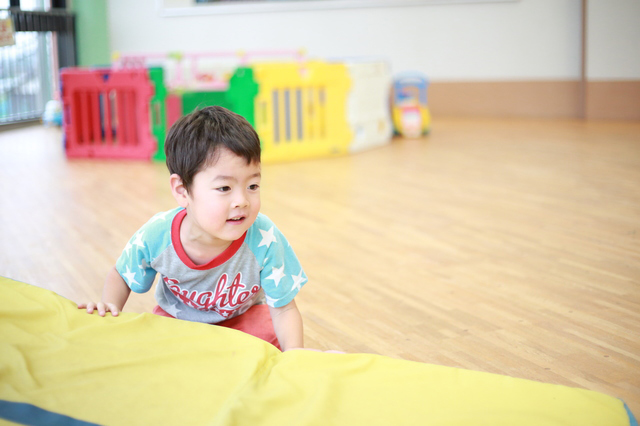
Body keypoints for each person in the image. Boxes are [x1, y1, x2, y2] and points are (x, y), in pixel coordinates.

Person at [78, 106, 308, 352]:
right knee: (146, 345)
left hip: (244, 321)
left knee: (272, 333)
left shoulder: (265, 237)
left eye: (253, 185)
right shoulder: (157, 235)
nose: (242, 200)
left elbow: (283, 309)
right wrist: (109, 308)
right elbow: (122, 275)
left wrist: (294, 356)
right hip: (179, 324)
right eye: (224, 189)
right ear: (182, 190)